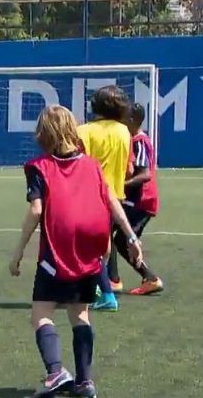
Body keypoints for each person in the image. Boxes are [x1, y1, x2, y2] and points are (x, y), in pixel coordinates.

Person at [9, 105, 143, 398]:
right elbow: (110, 200)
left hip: (59, 249)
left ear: (43, 132)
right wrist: (131, 237)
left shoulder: (39, 167)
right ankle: (84, 382)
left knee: (41, 314)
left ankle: (56, 372)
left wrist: (18, 251)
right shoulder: (92, 165)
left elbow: (36, 209)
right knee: (80, 314)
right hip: (91, 249)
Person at [77, 85, 131, 311]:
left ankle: (105, 293)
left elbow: (76, 166)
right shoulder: (124, 131)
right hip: (113, 200)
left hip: (86, 197)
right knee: (102, 247)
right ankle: (98, 287)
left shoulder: (83, 131)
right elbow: (128, 170)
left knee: (84, 248)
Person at [109, 103, 164, 295]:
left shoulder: (139, 141)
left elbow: (145, 175)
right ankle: (118, 279)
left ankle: (122, 280)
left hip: (141, 202)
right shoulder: (134, 140)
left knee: (119, 239)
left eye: (123, 119)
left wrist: (120, 185)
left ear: (131, 121)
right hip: (135, 201)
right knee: (114, 236)